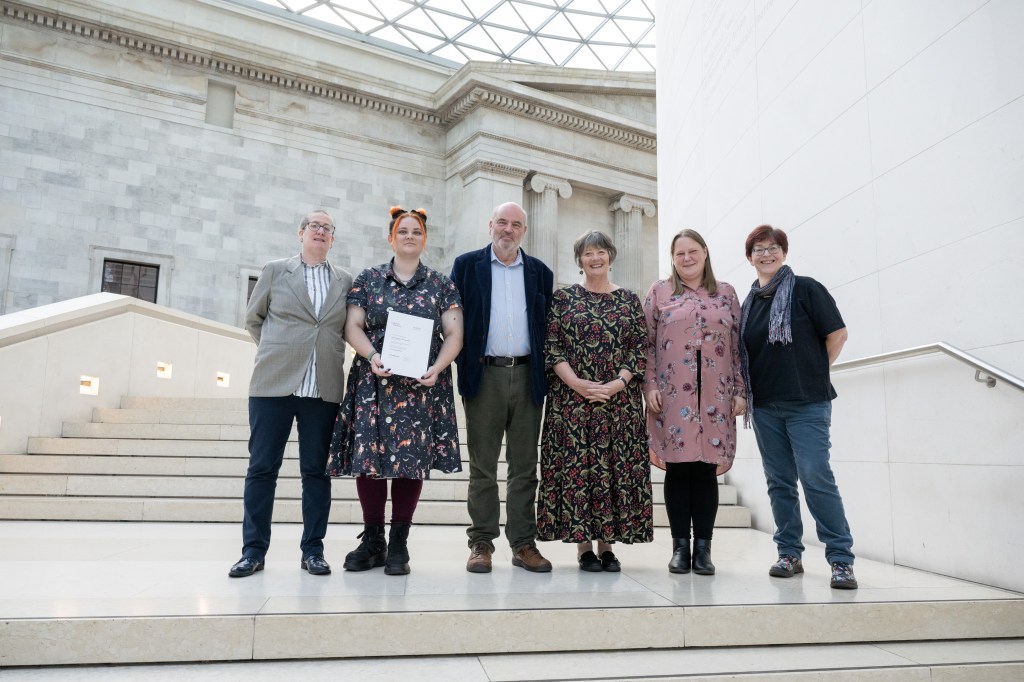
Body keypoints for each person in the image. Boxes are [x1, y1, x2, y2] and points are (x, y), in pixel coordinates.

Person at [327, 206, 463, 576]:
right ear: (391, 238)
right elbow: (352, 326)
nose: (409, 236)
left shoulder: (440, 284)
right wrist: (370, 355)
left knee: (410, 461)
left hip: (420, 386)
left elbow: (454, 334)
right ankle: (373, 540)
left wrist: (438, 366)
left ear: (424, 239)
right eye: (402, 231)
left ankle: (399, 541)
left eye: (415, 231)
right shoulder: (368, 279)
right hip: (374, 380)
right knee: (369, 462)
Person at [229, 210, 353, 578]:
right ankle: (253, 552)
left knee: (317, 473)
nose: (320, 232)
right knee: (262, 468)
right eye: (314, 226)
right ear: (300, 233)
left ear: (333, 239)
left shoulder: (345, 280)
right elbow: (254, 319)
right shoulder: (274, 270)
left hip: (324, 388)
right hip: (273, 385)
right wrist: (278, 351)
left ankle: (313, 550)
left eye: (327, 228)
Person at [738, 224, 857, 589]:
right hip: (765, 407)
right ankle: (789, 552)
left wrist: (815, 370)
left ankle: (840, 559)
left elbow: (837, 334)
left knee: (816, 476)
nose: (767, 254)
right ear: (750, 257)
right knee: (779, 482)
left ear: (784, 253)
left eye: (773, 248)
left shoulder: (806, 288)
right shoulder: (748, 304)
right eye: (759, 249)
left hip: (807, 403)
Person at [536, 230, 652, 571]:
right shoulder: (563, 298)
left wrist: (618, 383)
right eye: (588, 253)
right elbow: (552, 343)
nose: (595, 258)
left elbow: (639, 347)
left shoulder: (630, 300)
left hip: (619, 402)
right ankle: (584, 547)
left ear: (610, 256)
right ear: (579, 260)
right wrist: (576, 382)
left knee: (612, 470)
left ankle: (608, 546)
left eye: (601, 252)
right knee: (578, 471)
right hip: (572, 401)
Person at [451, 202, 554, 573]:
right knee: (482, 466)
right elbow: (452, 320)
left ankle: (524, 543)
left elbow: (546, 327)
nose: (507, 230)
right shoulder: (466, 266)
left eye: (515, 224)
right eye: (501, 223)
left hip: (528, 376)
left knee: (525, 466)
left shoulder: (540, 272)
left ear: (524, 230)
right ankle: (481, 542)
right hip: (484, 376)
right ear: (490, 225)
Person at [643, 229, 746, 576]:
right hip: (673, 395)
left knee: (704, 471)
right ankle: (679, 548)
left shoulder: (727, 294)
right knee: (678, 468)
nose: (686, 258)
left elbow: (737, 346)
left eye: (693, 251)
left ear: (705, 252)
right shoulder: (659, 292)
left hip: (717, 394)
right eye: (679, 253)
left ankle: (703, 549)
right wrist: (649, 385)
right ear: (672, 258)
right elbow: (646, 344)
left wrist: (741, 390)